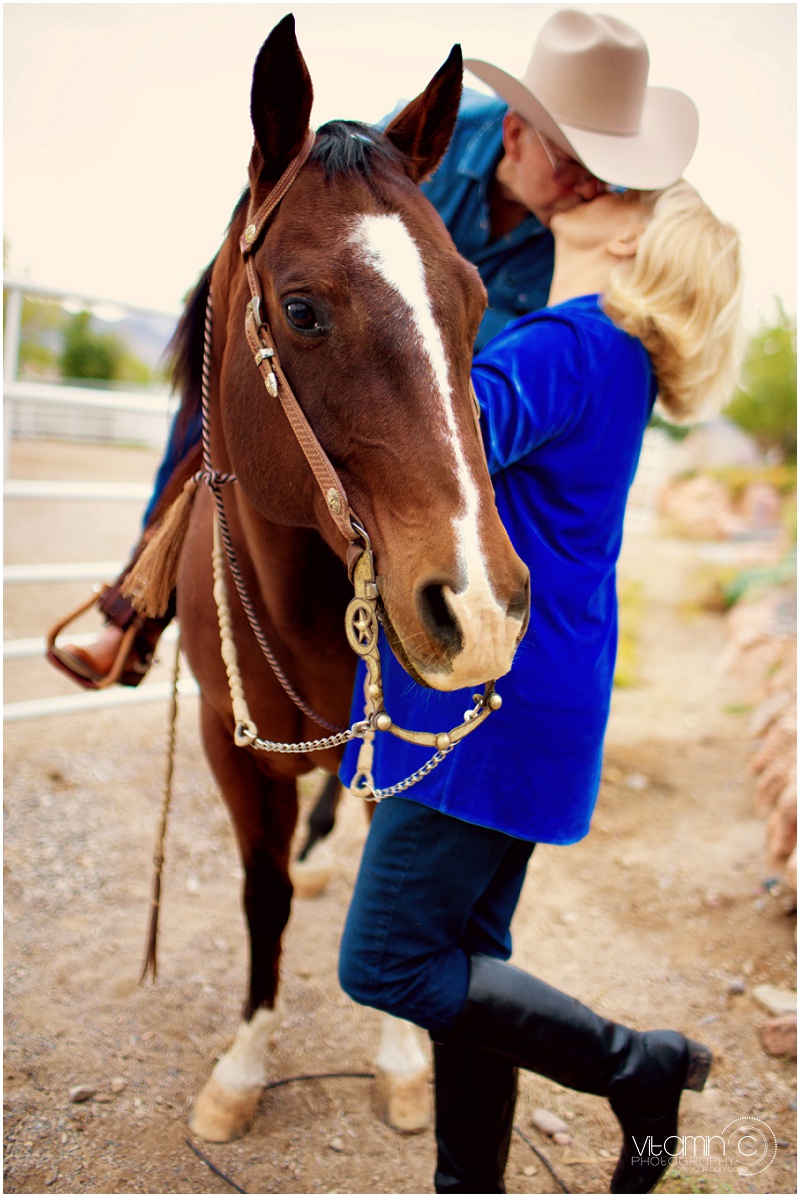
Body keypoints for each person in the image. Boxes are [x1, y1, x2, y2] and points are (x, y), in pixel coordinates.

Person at [46, 8, 699, 690]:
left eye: (610, 175)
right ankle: (134, 602)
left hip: (460, 397)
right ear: (515, 134)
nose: (593, 188)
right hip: (361, 352)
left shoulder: (580, 234)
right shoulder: (413, 148)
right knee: (222, 374)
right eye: (578, 166)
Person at [336, 179, 743, 1194]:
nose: (593, 185)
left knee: (384, 963)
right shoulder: (615, 358)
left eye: (623, 192)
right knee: (468, 961)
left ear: (631, 239)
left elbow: (446, 431)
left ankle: (635, 1067)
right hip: (536, 693)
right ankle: (467, 1185)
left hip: (487, 701)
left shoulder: (574, 342)